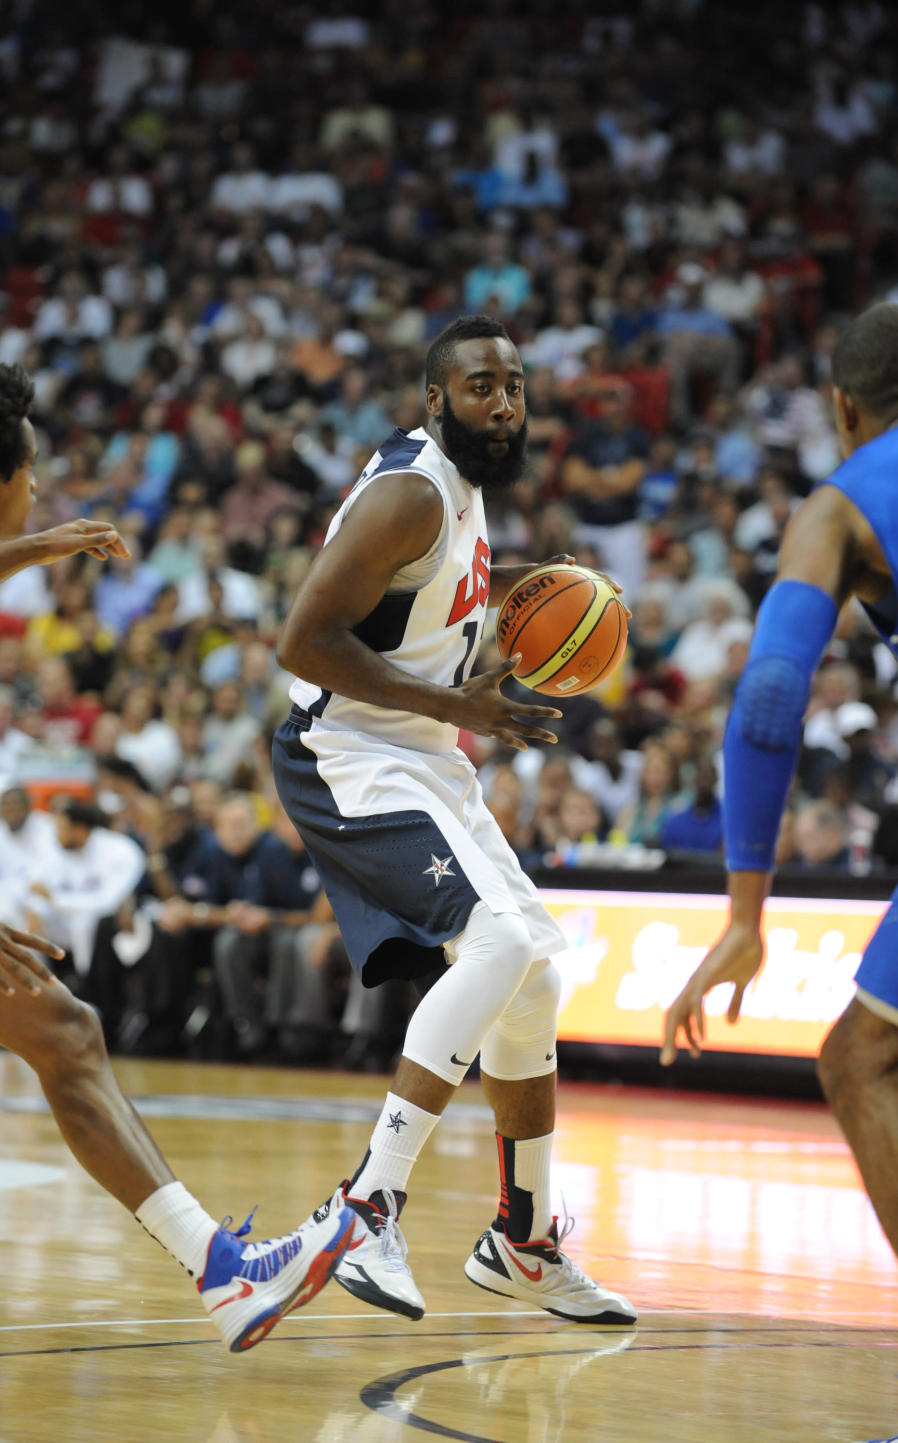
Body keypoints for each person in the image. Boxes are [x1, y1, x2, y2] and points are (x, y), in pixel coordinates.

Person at [0, 352, 353, 1350]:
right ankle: (224, 1274)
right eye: (32, 473)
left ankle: (225, 1276)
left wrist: (45, 545)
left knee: (67, 1036)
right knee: (70, 1036)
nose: (40, 484)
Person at [273, 314, 636, 1326]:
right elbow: (302, 640)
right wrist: (458, 707)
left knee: (539, 971)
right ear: (436, 399)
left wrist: (550, 593)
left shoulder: (460, 492)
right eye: (481, 387)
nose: (504, 404)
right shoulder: (409, 494)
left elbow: (441, 608)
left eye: (514, 387)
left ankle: (522, 1241)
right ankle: (365, 1208)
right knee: (503, 941)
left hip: (422, 756)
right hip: (346, 755)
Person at [660, 301, 898, 1287]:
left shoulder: (844, 503)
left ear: (843, 407)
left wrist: (744, 914)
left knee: (865, 1063)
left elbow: (768, 698)